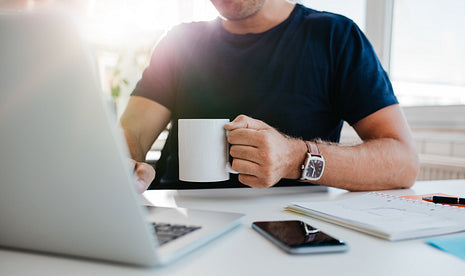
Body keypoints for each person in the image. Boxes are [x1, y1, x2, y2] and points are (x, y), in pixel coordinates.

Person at [120, 0, 419, 193]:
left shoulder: (335, 37)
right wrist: (123, 162)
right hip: (180, 220)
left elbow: (403, 162)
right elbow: (131, 131)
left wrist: (296, 158)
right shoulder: (179, 42)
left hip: (289, 227)